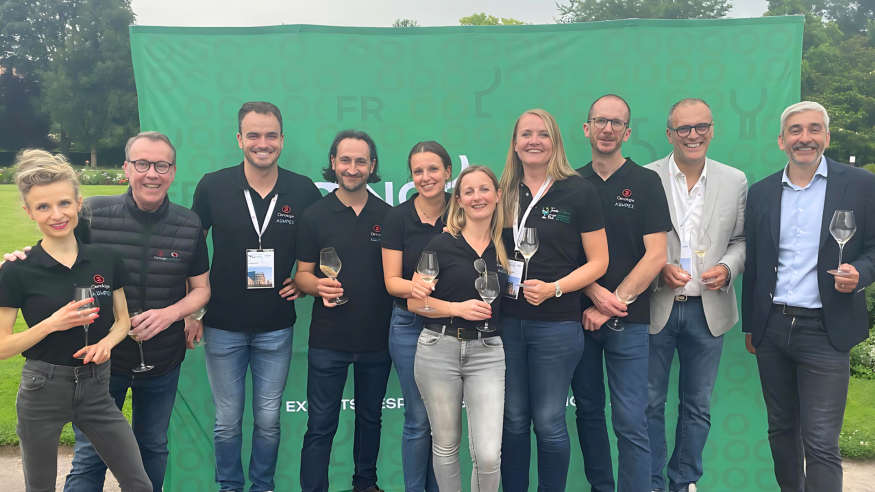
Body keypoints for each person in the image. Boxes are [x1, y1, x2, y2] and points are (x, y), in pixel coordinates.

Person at [2, 133, 212, 492]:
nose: (152, 173)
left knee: (153, 446)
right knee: (90, 456)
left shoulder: (190, 224)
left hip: (162, 359)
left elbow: (202, 290)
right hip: (97, 366)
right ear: (127, 169)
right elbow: (59, 243)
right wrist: (23, 259)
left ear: (173, 171)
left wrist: (171, 314)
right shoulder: (92, 214)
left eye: (161, 165)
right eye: (142, 164)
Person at [742, 101, 875, 492]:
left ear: (827, 137)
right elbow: (755, 263)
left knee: (820, 441)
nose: (805, 138)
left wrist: (861, 274)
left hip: (825, 330)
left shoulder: (860, 184)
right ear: (781, 140)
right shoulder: (762, 192)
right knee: (782, 432)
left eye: (814, 129)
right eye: (796, 130)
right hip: (773, 328)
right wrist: (752, 326)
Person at [0, 150, 152, 492]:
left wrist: (106, 344)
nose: (56, 214)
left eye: (64, 203)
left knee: (138, 483)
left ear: (78, 203)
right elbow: (2, 346)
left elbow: (122, 321)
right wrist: (52, 323)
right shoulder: (16, 270)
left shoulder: (106, 259)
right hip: (42, 389)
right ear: (28, 212)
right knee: (40, 487)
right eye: (43, 207)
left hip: (97, 387)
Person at [191, 102, 322, 492]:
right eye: (253, 135)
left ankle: (262, 486)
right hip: (222, 325)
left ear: (282, 140)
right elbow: (192, 251)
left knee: (268, 420)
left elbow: (317, 248)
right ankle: (230, 487)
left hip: (275, 326)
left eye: (270, 135)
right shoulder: (212, 186)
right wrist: (191, 311)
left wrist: (303, 280)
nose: (262, 143)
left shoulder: (303, 190)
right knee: (227, 421)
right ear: (239, 139)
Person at [497, 109, 610, 492]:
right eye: (526, 134)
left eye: (543, 134)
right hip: (506, 324)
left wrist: (555, 288)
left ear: (555, 142)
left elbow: (599, 261)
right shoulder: (501, 192)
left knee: (548, 422)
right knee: (513, 419)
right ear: (515, 144)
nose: (534, 141)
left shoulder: (579, 191)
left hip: (557, 324)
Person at [644, 98, 747, 492]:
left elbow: (741, 240)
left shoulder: (734, 180)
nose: (693, 135)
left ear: (712, 130)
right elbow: (633, 241)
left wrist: (728, 267)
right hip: (656, 306)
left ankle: (684, 481)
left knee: (698, 405)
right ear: (670, 134)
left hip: (709, 309)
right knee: (649, 403)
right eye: (684, 128)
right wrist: (659, 269)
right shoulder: (646, 177)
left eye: (701, 126)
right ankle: (653, 483)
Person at [572, 95, 671, 492]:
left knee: (631, 419)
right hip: (577, 318)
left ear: (627, 133)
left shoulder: (646, 182)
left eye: (616, 123)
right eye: (600, 121)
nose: (608, 129)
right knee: (588, 413)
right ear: (587, 128)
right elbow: (562, 254)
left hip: (629, 320)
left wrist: (613, 303)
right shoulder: (570, 183)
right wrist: (594, 293)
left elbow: (657, 254)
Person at [295, 129, 393, 492]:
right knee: (321, 425)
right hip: (328, 340)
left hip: (377, 340)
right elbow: (302, 275)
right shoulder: (314, 216)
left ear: (372, 166)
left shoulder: (389, 216)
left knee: (371, 420)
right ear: (333, 163)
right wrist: (316, 286)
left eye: (361, 161)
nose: (353, 168)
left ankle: (365, 484)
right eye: (346, 160)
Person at [408, 165, 509, 492]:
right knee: (446, 445)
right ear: (460, 201)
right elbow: (415, 302)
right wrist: (456, 308)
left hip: (488, 352)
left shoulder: (509, 245)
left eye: (484, 189)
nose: (477, 197)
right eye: (469, 191)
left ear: (497, 195)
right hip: (439, 348)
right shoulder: (440, 243)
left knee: (489, 455)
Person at [381, 141, 453, 492]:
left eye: (433, 169)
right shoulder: (397, 218)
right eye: (418, 171)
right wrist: (418, 287)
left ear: (448, 172)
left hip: (454, 324)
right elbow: (392, 282)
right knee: (419, 417)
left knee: (445, 422)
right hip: (409, 325)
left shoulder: (463, 211)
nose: (426, 177)